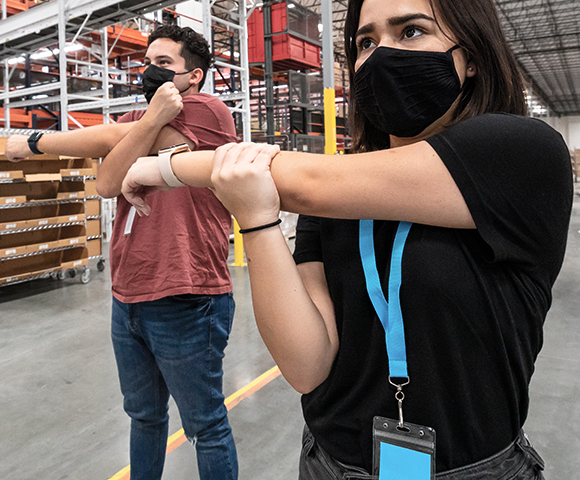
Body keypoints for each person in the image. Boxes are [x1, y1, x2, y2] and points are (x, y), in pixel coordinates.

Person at [121, 0, 573, 478]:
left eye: (412, 31)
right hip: (329, 463)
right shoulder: (338, 195)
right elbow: (306, 366)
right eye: (365, 42)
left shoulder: (525, 153)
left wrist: (159, 167)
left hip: (474, 469)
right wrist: (257, 222)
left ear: (474, 54)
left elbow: (301, 182)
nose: (381, 56)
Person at [6, 25, 238, 480]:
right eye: (148, 60)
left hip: (186, 294)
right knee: (144, 418)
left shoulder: (209, 111)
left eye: (164, 63)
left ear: (194, 76)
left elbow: (108, 152)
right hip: (127, 295)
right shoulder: (145, 117)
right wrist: (150, 120)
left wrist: (33, 143)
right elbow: (108, 182)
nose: (150, 69)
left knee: (205, 426)